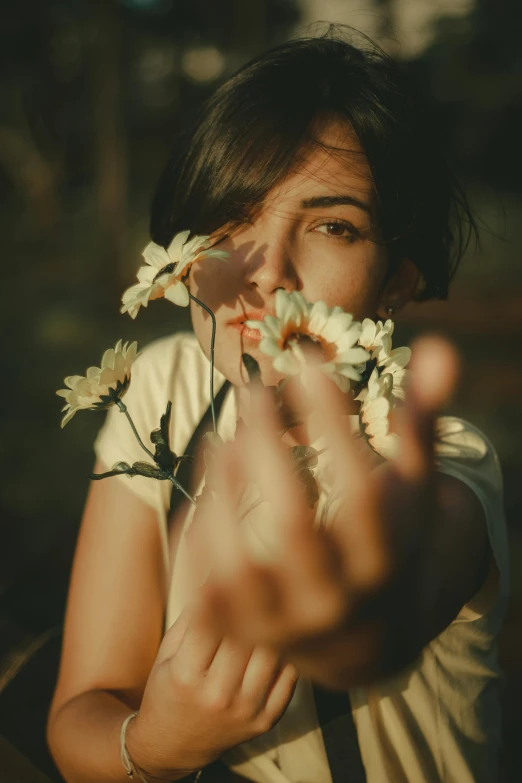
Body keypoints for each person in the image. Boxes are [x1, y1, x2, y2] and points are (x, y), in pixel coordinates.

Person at [46, 30, 509, 783]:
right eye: (229, 225)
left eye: (333, 225)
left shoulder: (446, 463)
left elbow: (395, 592)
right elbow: (81, 716)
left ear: (396, 282)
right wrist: (160, 743)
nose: (264, 273)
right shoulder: (162, 386)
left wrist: (345, 631)